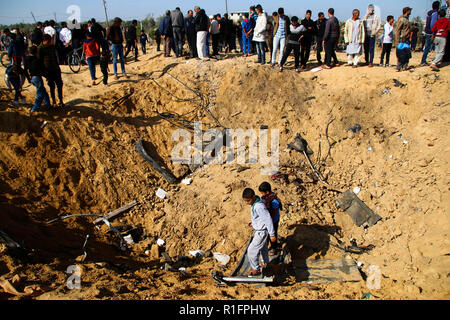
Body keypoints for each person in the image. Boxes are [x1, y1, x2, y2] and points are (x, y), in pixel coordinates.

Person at [242, 188, 276, 277]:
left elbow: (267, 219)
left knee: (251, 250)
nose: (247, 203)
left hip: (261, 232)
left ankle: (256, 269)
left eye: (248, 200)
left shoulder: (259, 206)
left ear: (253, 197)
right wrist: (253, 222)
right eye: (246, 201)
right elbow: (258, 217)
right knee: (263, 249)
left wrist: (272, 234)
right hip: (259, 230)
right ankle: (266, 263)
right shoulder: (255, 203)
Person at [38, 34, 64, 107]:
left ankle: (61, 100)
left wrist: (58, 67)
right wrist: (44, 72)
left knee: (59, 84)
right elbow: (39, 61)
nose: (50, 43)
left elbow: (55, 57)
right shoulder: (40, 48)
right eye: (49, 41)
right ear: (44, 41)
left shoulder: (52, 47)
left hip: (56, 68)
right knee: (52, 86)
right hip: (48, 70)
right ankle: (54, 101)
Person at [24, 45, 51, 111]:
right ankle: (35, 108)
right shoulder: (38, 60)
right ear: (36, 52)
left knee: (43, 91)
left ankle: (48, 105)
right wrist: (47, 76)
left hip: (32, 78)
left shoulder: (26, 59)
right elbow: (42, 70)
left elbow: (25, 70)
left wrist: (28, 79)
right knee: (40, 94)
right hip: (37, 78)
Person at [258, 182, 282, 256]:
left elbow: (274, 213)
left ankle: (274, 248)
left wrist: (268, 221)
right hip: (268, 219)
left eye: (262, 193)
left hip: (273, 220)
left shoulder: (274, 201)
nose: (262, 195)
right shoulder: (266, 198)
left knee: (272, 234)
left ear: (267, 192)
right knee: (269, 234)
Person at [421, 1, 441, 66]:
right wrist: (433, 33)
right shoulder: (435, 13)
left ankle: (423, 60)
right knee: (435, 47)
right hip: (431, 33)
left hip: (427, 31)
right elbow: (433, 24)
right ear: (438, 6)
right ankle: (425, 61)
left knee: (427, 47)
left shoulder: (429, 13)